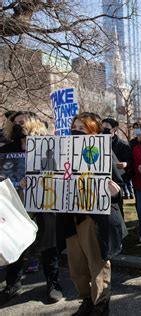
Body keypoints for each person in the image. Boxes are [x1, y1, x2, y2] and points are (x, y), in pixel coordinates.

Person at [62, 112, 127, 316]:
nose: (76, 131)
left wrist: (115, 192)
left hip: (93, 218)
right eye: (75, 127)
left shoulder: (102, 151)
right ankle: (87, 300)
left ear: (94, 132)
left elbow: (120, 185)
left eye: (83, 128)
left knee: (97, 263)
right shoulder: (62, 151)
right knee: (76, 265)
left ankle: (100, 304)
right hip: (70, 217)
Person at [0, 111, 63, 306]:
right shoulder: (5, 149)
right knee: (18, 243)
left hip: (45, 200)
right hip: (16, 203)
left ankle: (53, 283)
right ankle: (13, 284)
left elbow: (57, 171)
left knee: (48, 242)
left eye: (23, 122)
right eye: (16, 123)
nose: (19, 126)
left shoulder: (46, 146)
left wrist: (36, 178)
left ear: (34, 124)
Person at [102, 118, 133, 201]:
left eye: (107, 127)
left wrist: (125, 164)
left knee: (116, 203)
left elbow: (130, 160)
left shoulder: (123, 145)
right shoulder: (98, 142)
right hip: (102, 178)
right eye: (102, 127)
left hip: (117, 178)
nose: (104, 129)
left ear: (114, 129)